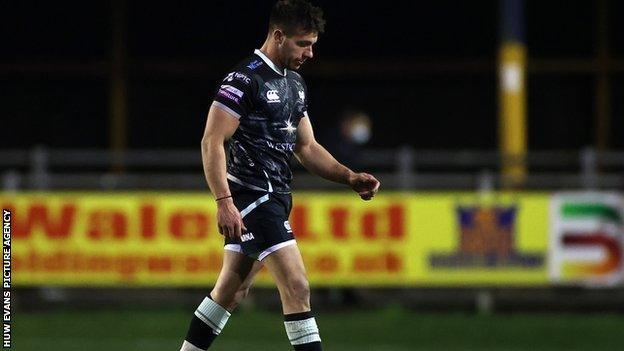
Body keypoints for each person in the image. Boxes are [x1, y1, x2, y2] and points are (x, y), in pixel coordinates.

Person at [180, 1, 380, 350]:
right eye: (304, 43)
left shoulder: (295, 84)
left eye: (313, 44)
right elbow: (212, 140)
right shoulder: (245, 79)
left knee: (230, 291)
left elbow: (307, 147)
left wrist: (349, 176)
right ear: (278, 36)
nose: (311, 52)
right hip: (253, 198)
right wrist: (224, 202)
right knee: (297, 286)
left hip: (276, 198)